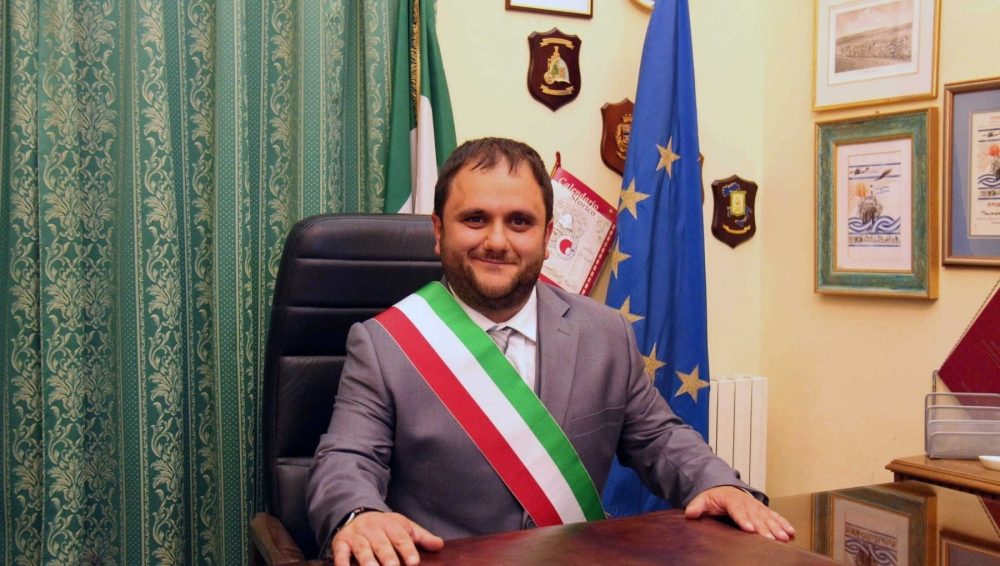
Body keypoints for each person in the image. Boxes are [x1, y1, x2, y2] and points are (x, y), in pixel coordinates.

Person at [307, 137, 794, 566]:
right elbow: (346, 459)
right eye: (475, 219)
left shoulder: (605, 333)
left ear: (546, 236)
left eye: (520, 222)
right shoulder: (385, 344)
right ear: (438, 232)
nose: (497, 241)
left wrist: (717, 482)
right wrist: (359, 513)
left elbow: (659, 438)